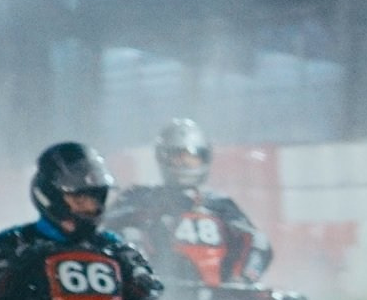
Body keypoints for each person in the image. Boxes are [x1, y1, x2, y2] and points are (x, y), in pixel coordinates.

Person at [0, 142, 162, 300]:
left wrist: (131, 271)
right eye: (79, 199)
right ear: (52, 196)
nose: (88, 207)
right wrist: (24, 265)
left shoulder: (112, 245)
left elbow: (149, 291)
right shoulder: (14, 241)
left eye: (94, 199)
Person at [107, 117, 275, 285]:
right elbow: (107, 228)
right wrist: (148, 214)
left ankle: (241, 284)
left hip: (222, 289)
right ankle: (143, 279)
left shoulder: (220, 203)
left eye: (192, 158)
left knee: (257, 240)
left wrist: (243, 278)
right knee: (128, 234)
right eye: (179, 158)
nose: (186, 164)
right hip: (154, 283)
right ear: (164, 158)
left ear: (204, 159)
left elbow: (256, 242)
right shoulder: (140, 196)